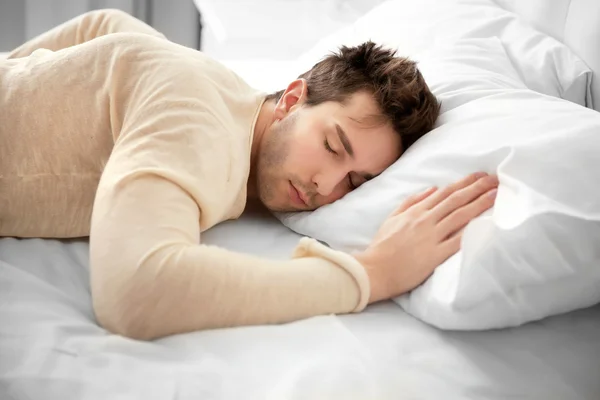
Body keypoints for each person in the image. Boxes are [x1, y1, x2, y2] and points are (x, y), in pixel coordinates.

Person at [0, 9, 498, 340]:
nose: (327, 185)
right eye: (331, 145)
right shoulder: (198, 120)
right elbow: (134, 291)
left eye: (356, 182)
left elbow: (104, 22)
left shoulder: (213, 86)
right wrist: (372, 274)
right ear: (292, 98)